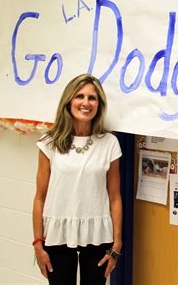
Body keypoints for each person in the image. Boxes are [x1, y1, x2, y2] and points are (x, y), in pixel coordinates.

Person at [32, 74, 123, 285]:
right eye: (79, 96)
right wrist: (37, 243)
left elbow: (115, 197)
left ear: (99, 105)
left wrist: (117, 244)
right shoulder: (49, 142)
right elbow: (40, 197)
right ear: (68, 101)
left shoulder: (109, 143)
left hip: (98, 233)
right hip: (57, 234)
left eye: (92, 98)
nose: (85, 103)